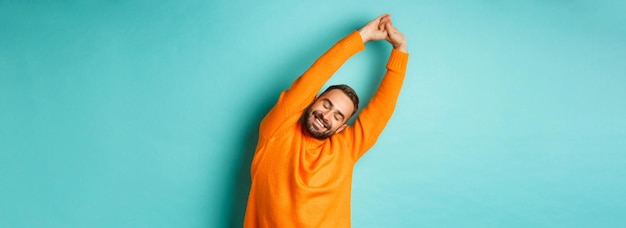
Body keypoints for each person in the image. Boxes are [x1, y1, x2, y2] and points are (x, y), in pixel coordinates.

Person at [243, 14, 408, 227]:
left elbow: (382, 109)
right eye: (326, 104)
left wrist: (400, 49)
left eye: (338, 116)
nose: (326, 116)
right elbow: (314, 77)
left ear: (341, 128)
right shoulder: (277, 130)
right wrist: (362, 36)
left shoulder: (345, 148)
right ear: (312, 100)